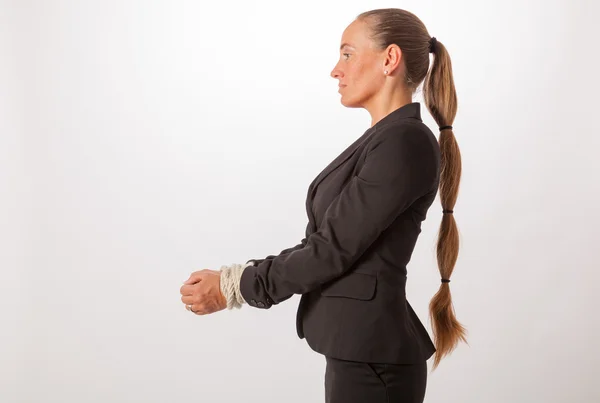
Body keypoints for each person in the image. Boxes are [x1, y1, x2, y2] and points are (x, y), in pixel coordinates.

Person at [180, 8, 467, 403]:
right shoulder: (386, 140)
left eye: (347, 54)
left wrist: (235, 287)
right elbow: (325, 241)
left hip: (373, 363)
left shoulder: (404, 143)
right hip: (361, 355)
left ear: (389, 59)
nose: (336, 69)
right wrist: (239, 278)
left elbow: (331, 250)